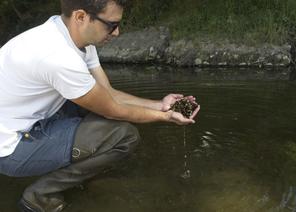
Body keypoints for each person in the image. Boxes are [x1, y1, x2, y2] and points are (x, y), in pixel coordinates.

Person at [0, 0, 200, 211]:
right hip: (10, 149)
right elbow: (114, 110)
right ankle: (40, 196)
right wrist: (166, 117)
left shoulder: (69, 34)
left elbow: (108, 94)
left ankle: (75, 167)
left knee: (89, 104)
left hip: (26, 120)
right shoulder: (58, 57)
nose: (116, 33)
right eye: (111, 25)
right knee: (123, 136)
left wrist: (160, 105)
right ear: (80, 17)